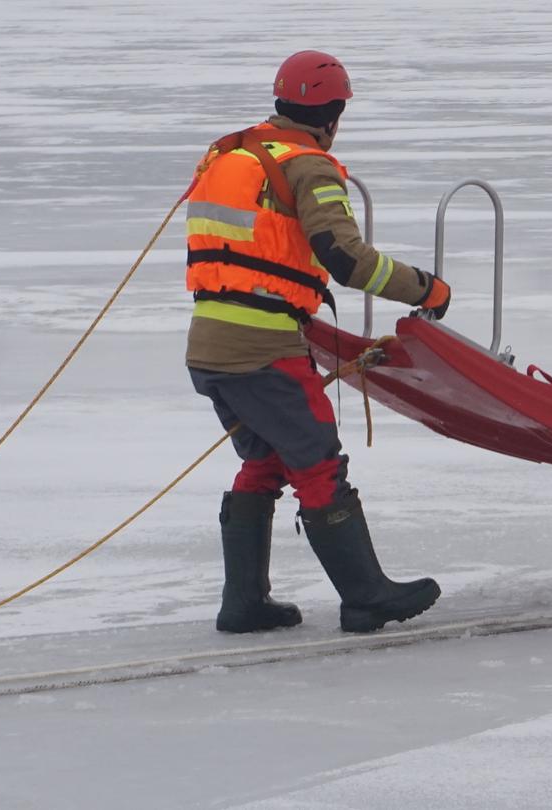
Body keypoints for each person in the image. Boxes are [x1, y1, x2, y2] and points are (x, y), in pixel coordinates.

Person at [185, 51, 450, 633]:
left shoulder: (230, 156)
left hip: (209, 344)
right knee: (317, 460)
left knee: (268, 459)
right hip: (262, 349)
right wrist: (425, 290)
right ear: (333, 113)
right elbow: (344, 258)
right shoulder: (310, 167)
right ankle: (365, 597)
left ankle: (244, 605)